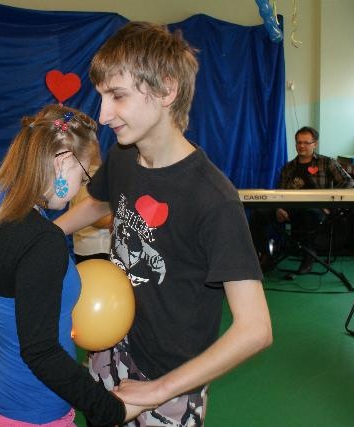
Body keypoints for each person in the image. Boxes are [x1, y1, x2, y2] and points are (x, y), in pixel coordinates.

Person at [54, 23, 273, 426]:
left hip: (169, 381)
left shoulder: (214, 199)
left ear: (166, 90)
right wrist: (48, 234)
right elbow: (99, 200)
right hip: (110, 345)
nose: (103, 115)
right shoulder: (123, 156)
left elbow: (256, 328)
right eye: (101, 96)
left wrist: (157, 391)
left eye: (117, 95)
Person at [0, 104, 143, 426]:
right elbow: (41, 352)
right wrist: (111, 408)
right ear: (63, 161)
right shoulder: (42, 241)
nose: (80, 187)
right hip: (31, 411)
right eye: (83, 175)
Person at [250, 126, 354, 275]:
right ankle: (265, 256)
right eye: (299, 142)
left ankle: (308, 256)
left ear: (315, 144)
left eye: (306, 142)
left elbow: (348, 182)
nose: (302, 146)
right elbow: (280, 192)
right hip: (290, 209)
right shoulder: (288, 167)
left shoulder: (327, 163)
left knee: (308, 214)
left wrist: (330, 205)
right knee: (258, 214)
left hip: (316, 210)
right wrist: (279, 208)